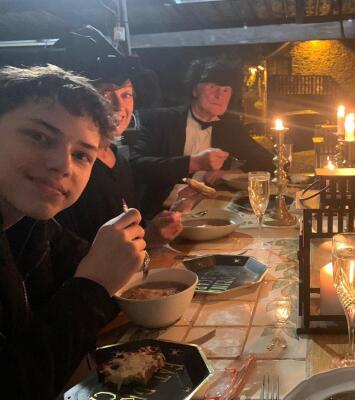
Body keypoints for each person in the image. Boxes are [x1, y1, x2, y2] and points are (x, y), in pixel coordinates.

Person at [0, 65, 146, 398]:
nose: (63, 166)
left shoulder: (35, 227)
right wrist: (91, 287)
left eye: (82, 155)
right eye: (39, 136)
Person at [53, 26, 183, 245]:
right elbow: (64, 257)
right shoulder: (63, 167)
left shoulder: (118, 160)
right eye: (105, 94)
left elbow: (129, 232)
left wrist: (152, 231)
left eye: (126, 94)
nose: (119, 106)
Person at [130, 57, 273, 217]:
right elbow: (137, 166)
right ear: (195, 90)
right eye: (213, 87)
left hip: (213, 210)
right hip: (163, 212)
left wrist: (228, 174)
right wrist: (193, 163)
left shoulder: (230, 126)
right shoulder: (162, 120)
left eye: (226, 90)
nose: (220, 95)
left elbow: (268, 162)